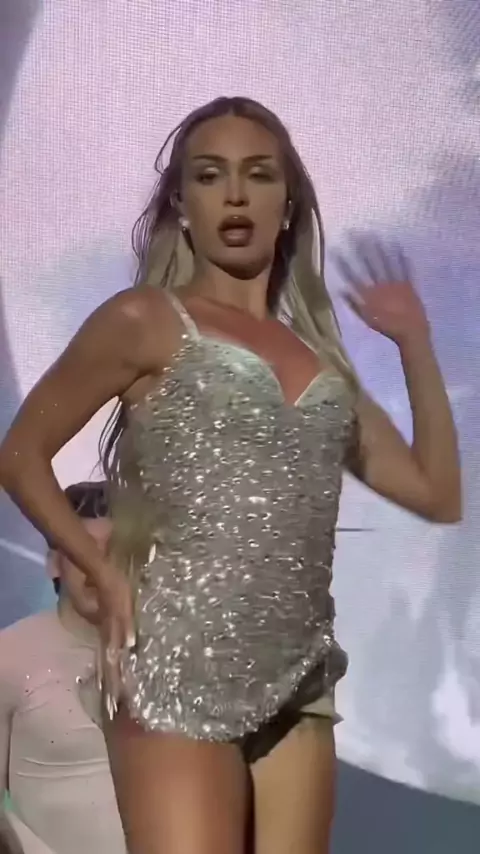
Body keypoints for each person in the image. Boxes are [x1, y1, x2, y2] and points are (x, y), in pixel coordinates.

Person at [0, 96, 461, 854]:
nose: (237, 195)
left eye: (259, 174)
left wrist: (414, 342)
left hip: (299, 679)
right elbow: (21, 454)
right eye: (211, 176)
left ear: (289, 205)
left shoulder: (323, 369)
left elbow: (436, 493)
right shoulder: (145, 320)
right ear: (182, 205)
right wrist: (102, 573)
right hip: (175, 668)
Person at [0, 482, 125, 854]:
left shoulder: (166, 658)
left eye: (114, 553)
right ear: (54, 562)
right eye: (82, 551)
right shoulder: (9, 655)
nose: (97, 568)